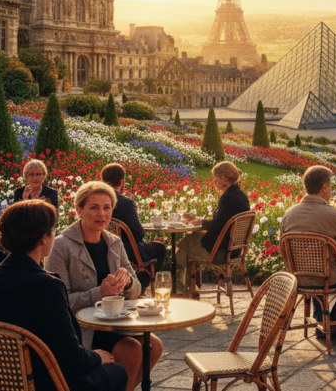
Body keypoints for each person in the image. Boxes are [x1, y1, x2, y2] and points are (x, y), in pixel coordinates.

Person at [0, 200, 128, 391]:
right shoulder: (47, 286)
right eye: (53, 230)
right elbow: (71, 359)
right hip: (47, 381)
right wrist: (97, 357)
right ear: (44, 237)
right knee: (118, 372)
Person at [45, 181, 163, 391]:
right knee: (132, 349)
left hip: (116, 320)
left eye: (107, 207)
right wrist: (99, 292)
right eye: (94, 207)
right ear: (79, 210)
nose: (102, 213)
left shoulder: (114, 242)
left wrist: (126, 283)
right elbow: (59, 303)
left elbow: (136, 289)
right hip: (80, 326)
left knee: (155, 347)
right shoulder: (61, 246)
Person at [280, 165, 336, 340]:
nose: (331, 190)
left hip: (297, 276)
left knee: (317, 268)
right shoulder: (332, 214)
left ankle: (320, 319)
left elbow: (283, 248)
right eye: (331, 186)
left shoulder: (289, 214)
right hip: (328, 277)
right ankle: (335, 319)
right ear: (324, 187)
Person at [177, 161, 250, 295]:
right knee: (190, 241)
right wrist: (197, 220)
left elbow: (217, 225)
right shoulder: (241, 196)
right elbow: (223, 222)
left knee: (182, 246)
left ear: (225, 178)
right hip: (234, 249)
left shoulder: (228, 197)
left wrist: (200, 222)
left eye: (216, 177)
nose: (214, 180)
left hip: (220, 251)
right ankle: (193, 288)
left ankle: (182, 291)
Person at [101, 163, 168, 291]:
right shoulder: (126, 203)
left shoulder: (96, 201)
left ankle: (133, 283)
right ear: (121, 182)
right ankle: (140, 284)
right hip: (127, 250)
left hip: (102, 247)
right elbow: (138, 234)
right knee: (159, 248)